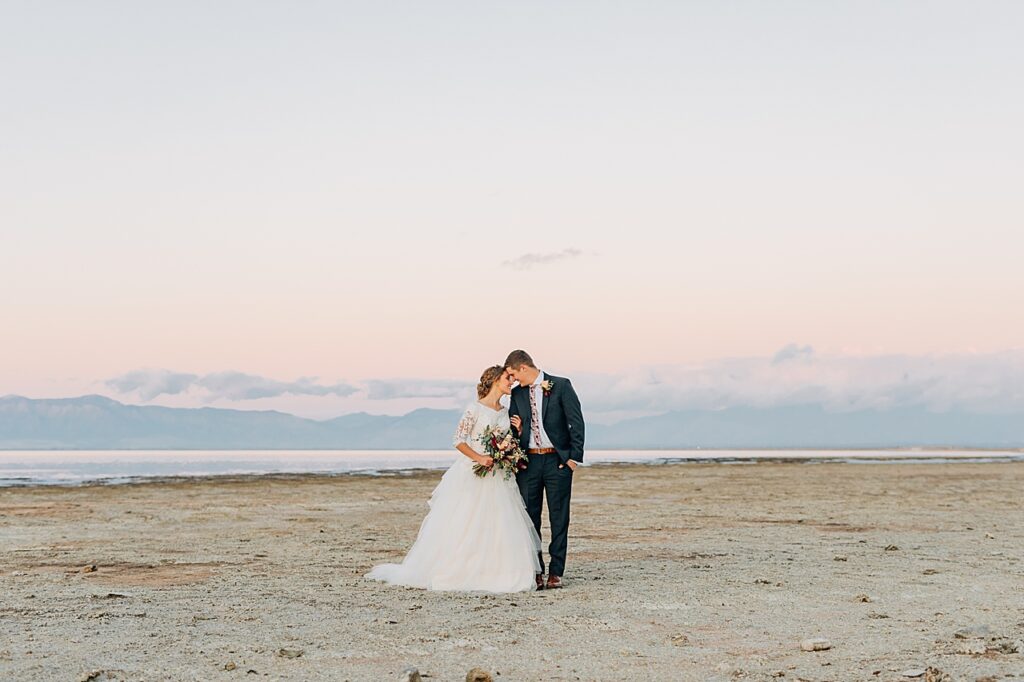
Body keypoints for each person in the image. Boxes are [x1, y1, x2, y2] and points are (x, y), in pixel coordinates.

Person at [366, 365, 542, 592]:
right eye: (508, 378)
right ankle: (463, 569)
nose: (512, 382)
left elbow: (506, 441)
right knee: (468, 521)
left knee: (500, 523)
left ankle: (497, 571)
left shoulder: (505, 412)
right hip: (474, 473)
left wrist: (515, 433)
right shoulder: (475, 409)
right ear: (496, 380)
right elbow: (458, 440)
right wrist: (479, 458)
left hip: (498, 474)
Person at [504, 349, 585, 590]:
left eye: (513, 374)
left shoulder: (560, 385)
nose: (513, 380)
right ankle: (536, 571)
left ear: (523, 368)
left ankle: (556, 572)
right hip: (528, 463)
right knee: (530, 518)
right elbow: (515, 429)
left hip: (557, 461)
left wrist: (572, 459)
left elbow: (576, 422)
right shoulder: (517, 394)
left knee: (559, 517)